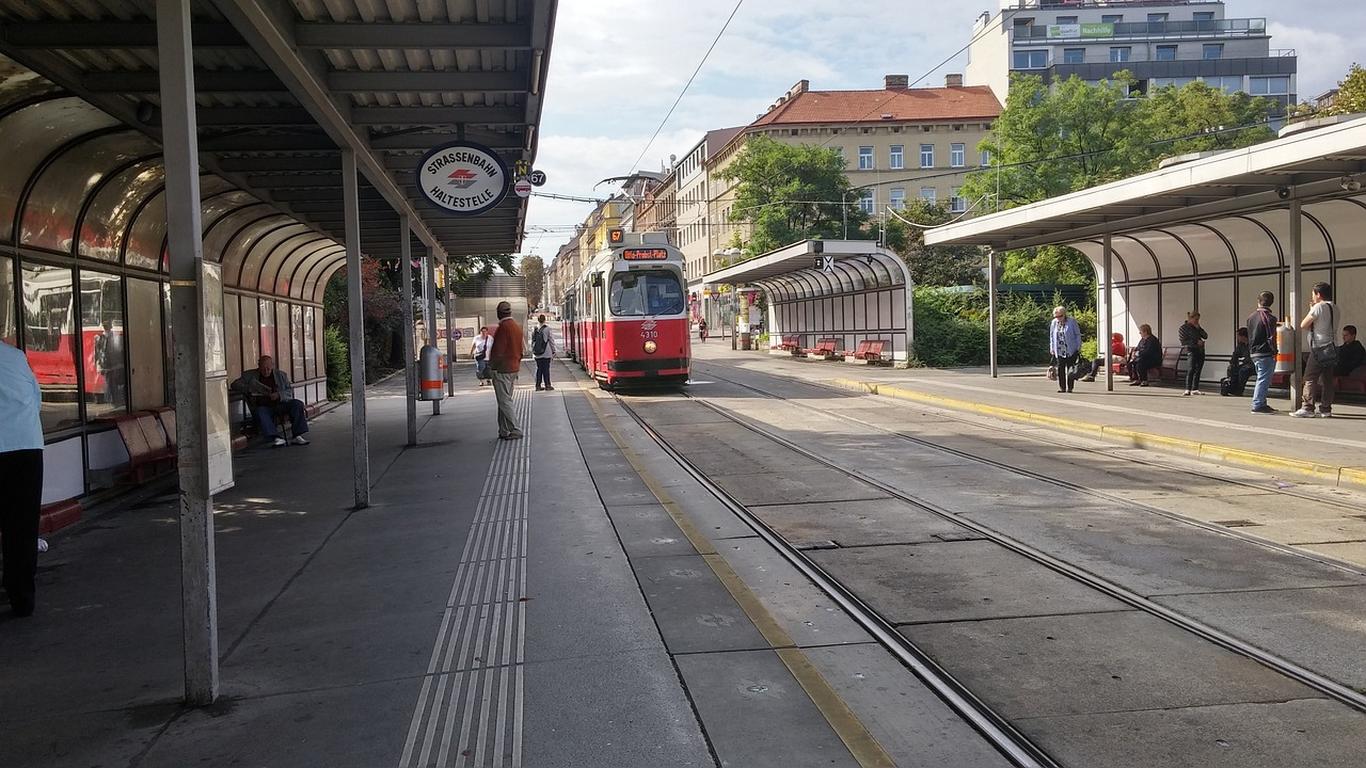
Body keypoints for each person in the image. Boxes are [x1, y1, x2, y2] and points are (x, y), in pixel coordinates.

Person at [0, 340, 43, 617]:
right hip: (27, 446)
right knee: (23, 526)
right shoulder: (15, 356)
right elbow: (36, 397)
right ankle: (22, 598)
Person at [231, 355, 310, 447]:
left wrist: (279, 395)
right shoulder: (249, 375)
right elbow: (234, 385)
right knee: (260, 412)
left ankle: (297, 435)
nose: (266, 371)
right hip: (264, 406)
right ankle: (275, 437)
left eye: (268, 368)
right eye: (263, 369)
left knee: (297, 404)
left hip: (281, 404)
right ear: (259, 366)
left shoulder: (281, 375)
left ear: (272, 366)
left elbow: (289, 391)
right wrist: (250, 389)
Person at [1293, 282, 1338, 418]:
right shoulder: (1335, 307)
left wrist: (1311, 309)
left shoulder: (1318, 307)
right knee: (1327, 379)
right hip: (1332, 347)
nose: (1312, 296)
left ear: (1318, 294)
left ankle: (1307, 407)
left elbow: (1303, 324)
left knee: (1310, 377)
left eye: (1313, 294)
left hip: (1319, 347)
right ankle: (1326, 408)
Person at [489, 301, 524, 439]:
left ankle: (515, 429)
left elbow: (499, 351)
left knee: (504, 401)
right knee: (503, 400)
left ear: (499, 313)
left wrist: (492, 366)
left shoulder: (504, 328)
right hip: (513, 367)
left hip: (503, 369)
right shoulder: (516, 327)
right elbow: (520, 350)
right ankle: (503, 430)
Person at [1247, 291, 1279, 414]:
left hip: (1254, 352)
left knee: (1261, 377)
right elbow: (1271, 337)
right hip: (1265, 352)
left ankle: (1261, 402)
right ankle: (1258, 404)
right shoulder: (1270, 318)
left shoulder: (1251, 317)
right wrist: (1274, 351)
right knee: (1264, 378)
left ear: (1258, 301)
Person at [1048, 306, 1081, 394]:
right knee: (1060, 369)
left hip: (1070, 349)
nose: (1058, 318)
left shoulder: (1071, 321)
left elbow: (1077, 334)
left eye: (1060, 316)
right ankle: (1062, 387)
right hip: (1059, 349)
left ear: (1064, 314)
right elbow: (1051, 336)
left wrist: (1078, 347)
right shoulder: (1054, 323)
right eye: (1056, 316)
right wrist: (1052, 348)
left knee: (1071, 369)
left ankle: (1070, 387)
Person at [1178, 311, 1207, 396]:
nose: (1197, 321)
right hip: (1191, 350)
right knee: (1191, 369)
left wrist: (1199, 328)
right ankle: (1188, 388)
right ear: (1190, 318)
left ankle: (1195, 388)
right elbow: (1183, 341)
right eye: (1195, 319)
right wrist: (1196, 342)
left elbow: (1205, 336)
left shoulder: (1197, 327)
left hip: (1200, 350)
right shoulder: (1183, 328)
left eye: (1198, 319)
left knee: (1198, 369)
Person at [1223, 327, 1255, 396]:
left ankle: (1239, 390)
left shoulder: (1252, 344)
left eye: (1239, 336)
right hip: (1246, 364)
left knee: (1243, 370)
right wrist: (1232, 364)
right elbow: (1236, 354)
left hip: (1254, 364)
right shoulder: (1241, 345)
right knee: (1233, 369)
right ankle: (1232, 388)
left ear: (1243, 336)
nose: (1238, 338)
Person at [531, 314, 557, 392]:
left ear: (538, 320)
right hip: (546, 352)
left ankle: (538, 385)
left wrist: (533, 350)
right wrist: (553, 350)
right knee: (546, 369)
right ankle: (547, 385)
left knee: (539, 369)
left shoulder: (534, 329)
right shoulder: (547, 329)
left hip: (537, 353)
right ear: (544, 320)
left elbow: (533, 341)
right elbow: (551, 341)